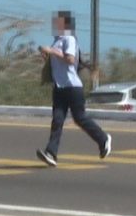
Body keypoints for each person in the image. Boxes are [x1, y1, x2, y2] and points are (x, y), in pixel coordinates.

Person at [36, 13, 111, 167]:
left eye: (58, 23)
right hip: (59, 87)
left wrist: (51, 51)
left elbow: (70, 60)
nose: (55, 26)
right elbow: (59, 61)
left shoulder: (69, 39)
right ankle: (51, 153)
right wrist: (46, 55)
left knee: (80, 118)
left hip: (72, 87)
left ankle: (103, 139)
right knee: (57, 120)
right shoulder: (57, 41)